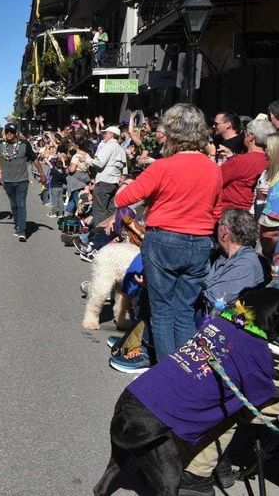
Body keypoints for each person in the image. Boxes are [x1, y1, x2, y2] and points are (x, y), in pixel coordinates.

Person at [114, 103, 221, 366]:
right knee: (185, 311)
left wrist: (138, 187)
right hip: (199, 242)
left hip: (164, 240)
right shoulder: (213, 169)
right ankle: (184, 372)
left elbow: (122, 199)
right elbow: (217, 211)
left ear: (172, 131)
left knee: (162, 312)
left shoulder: (162, 167)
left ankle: (167, 373)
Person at [200, 209, 265, 318]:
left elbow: (215, 299)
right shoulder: (223, 256)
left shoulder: (245, 264)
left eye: (218, 224)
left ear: (225, 230)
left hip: (218, 322)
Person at [0, 123, 46, 242]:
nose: (9, 134)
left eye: (11, 132)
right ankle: (18, 225)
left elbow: (34, 159)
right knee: (14, 205)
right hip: (7, 181)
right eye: (7, 131)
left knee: (21, 204)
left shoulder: (24, 144)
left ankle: (22, 231)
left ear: (15, 133)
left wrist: (42, 174)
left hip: (22, 180)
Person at [218, 118, 273, 214]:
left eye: (245, 133)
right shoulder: (271, 161)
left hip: (232, 214)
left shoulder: (240, 161)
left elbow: (216, 180)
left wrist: (212, 156)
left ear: (251, 136)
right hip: (255, 213)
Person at [85, 125, 127, 244]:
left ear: (112, 135)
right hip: (114, 183)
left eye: (105, 133)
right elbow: (125, 168)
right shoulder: (120, 148)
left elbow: (100, 163)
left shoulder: (109, 146)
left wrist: (87, 159)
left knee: (99, 211)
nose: (103, 135)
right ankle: (108, 239)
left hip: (104, 181)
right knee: (110, 212)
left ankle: (98, 241)